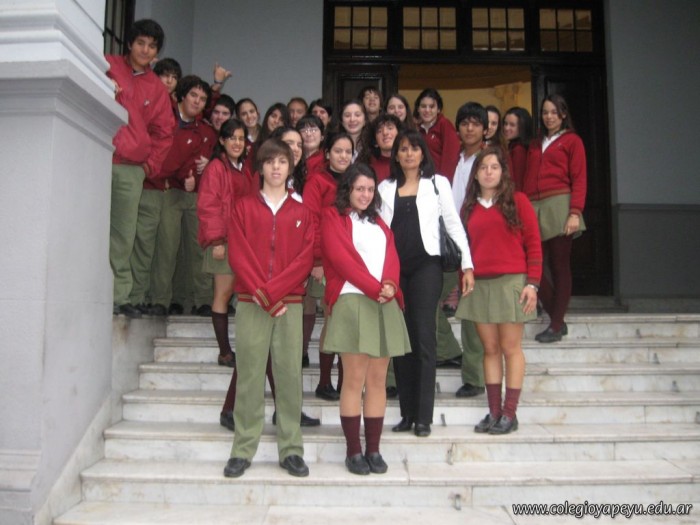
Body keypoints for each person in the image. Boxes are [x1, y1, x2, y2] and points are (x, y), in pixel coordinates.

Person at [223, 138, 314, 479]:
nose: (276, 167)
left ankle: (291, 449)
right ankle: (242, 448)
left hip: (288, 305)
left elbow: (304, 260)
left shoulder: (302, 212)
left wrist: (274, 293)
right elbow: (238, 254)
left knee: (289, 376)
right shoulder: (243, 207)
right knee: (249, 375)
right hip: (252, 303)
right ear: (260, 167)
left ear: (291, 167)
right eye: (270, 161)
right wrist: (264, 295)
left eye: (282, 161)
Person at [378, 129, 474, 437]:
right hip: (395, 271)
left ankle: (423, 418)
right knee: (401, 341)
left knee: (423, 337)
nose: (409, 154)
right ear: (396, 155)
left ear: (423, 154)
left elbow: (453, 224)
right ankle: (407, 414)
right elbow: (377, 230)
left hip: (426, 268)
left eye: (414, 148)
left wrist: (467, 264)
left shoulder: (437, 183)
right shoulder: (385, 187)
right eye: (403, 149)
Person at [321, 163, 410, 475]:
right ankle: (353, 450)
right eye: (359, 188)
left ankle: (373, 448)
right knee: (353, 379)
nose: (365, 194)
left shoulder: (379, 223)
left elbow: (392, 256)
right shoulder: (334, 217)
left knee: (377, 381)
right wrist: (376, 288)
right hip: (352, 301)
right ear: (348, 189)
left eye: (370, 189)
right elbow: (342, 259)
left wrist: (391, 285)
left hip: (383, 303)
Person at [456, 146, 542, 434]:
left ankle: (510, 412)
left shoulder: (518, 201)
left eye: (494, 167)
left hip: (511, 283)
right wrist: (464, 276)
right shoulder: (468, 208)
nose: (489, 172)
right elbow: (464, 249)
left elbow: (533, 243)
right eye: (483, 168)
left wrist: (532, 283)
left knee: (510, 348)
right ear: (475, 174)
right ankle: (494, 411)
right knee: (489, 349)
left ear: (503, 172)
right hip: (480, 285)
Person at [106, 19, 175, 318]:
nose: (145, 50)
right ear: (130, 44)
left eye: (152, 46)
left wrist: (148, 167)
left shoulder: (157, 88)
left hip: (131, 169)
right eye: (141, 43)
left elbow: (164, 133)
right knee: (87, 225)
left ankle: (120, 296)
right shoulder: (107, 66)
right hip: (98, 156)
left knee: (124, 233)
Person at [148, 75, 217, 316]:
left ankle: (201, 300)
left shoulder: (206, 131)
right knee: (167, 248)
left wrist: (204, 168)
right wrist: (180, 178)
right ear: (182, 96)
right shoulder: (165, 119)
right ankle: (161, 300)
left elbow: (202, 160)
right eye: (193, 96)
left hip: (196, 195)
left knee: (198, 249)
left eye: (202, 99)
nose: (197, 102)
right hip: (169, 191)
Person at [435, 102, 489, 399]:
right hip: (449, 242)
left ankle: (474, 378)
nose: (469, 128)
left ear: (485, 129)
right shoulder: (453, 159)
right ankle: (448, 350)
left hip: (476, 242)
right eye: (465, 123)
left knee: (470, 313)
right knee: (426, 300)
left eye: (475, 123)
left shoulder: (489, 161)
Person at [524, 94, 587, 343]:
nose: (549, 116)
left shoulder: (572, 141)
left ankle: (556, 324)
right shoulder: (535, 143)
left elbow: (580, 178)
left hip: (560, 203)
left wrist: (575, 212)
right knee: (533, 266)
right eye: (545, 112)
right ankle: (557, 319)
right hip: (534, 206)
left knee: (560, 265)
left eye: (554, 112)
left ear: (563, 114)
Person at [303, 132, 355, 401]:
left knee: (348, 323)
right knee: (333, 321)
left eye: (348, 151)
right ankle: (325, 382)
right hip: (327, 263)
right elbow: (310, 220)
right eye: (338, 151)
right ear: (327, 154)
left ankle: (347, 384)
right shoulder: (317, 181)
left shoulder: (356, 181)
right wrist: (317, 260)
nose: (343, 156)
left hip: (353, 263)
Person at [197, 119, 253, 367]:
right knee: (223, 293)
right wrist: (217, 240)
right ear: (222, 140)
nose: (237, 143)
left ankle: (237, 349)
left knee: (237, 294)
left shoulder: (243, 168)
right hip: (223, 240)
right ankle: (224, 352)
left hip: (241, 241)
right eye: (232, 138)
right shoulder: (216, 168)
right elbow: (208, 206)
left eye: (241, 138)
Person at [414, 88, 461, 183]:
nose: (427, 110)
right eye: (423, 106)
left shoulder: (445, 125)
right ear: (418, 109)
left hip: (441, 181)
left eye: (432, 106)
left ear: (438, 109)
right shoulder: (416, 130)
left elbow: (451, 158)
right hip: (421, 181)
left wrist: (443, 182)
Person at [357, 112, 402, 183]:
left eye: (390, 128)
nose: (385, 133)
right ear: (375, 142)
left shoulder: (409, 163)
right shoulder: (369, 170)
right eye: (379, 131)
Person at [502, 106, 533, 191]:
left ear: (522, 127)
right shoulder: (513, 146)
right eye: (505, 123)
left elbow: (518, 183)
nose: (506, 128)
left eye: (512, 125)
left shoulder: (518, 150)